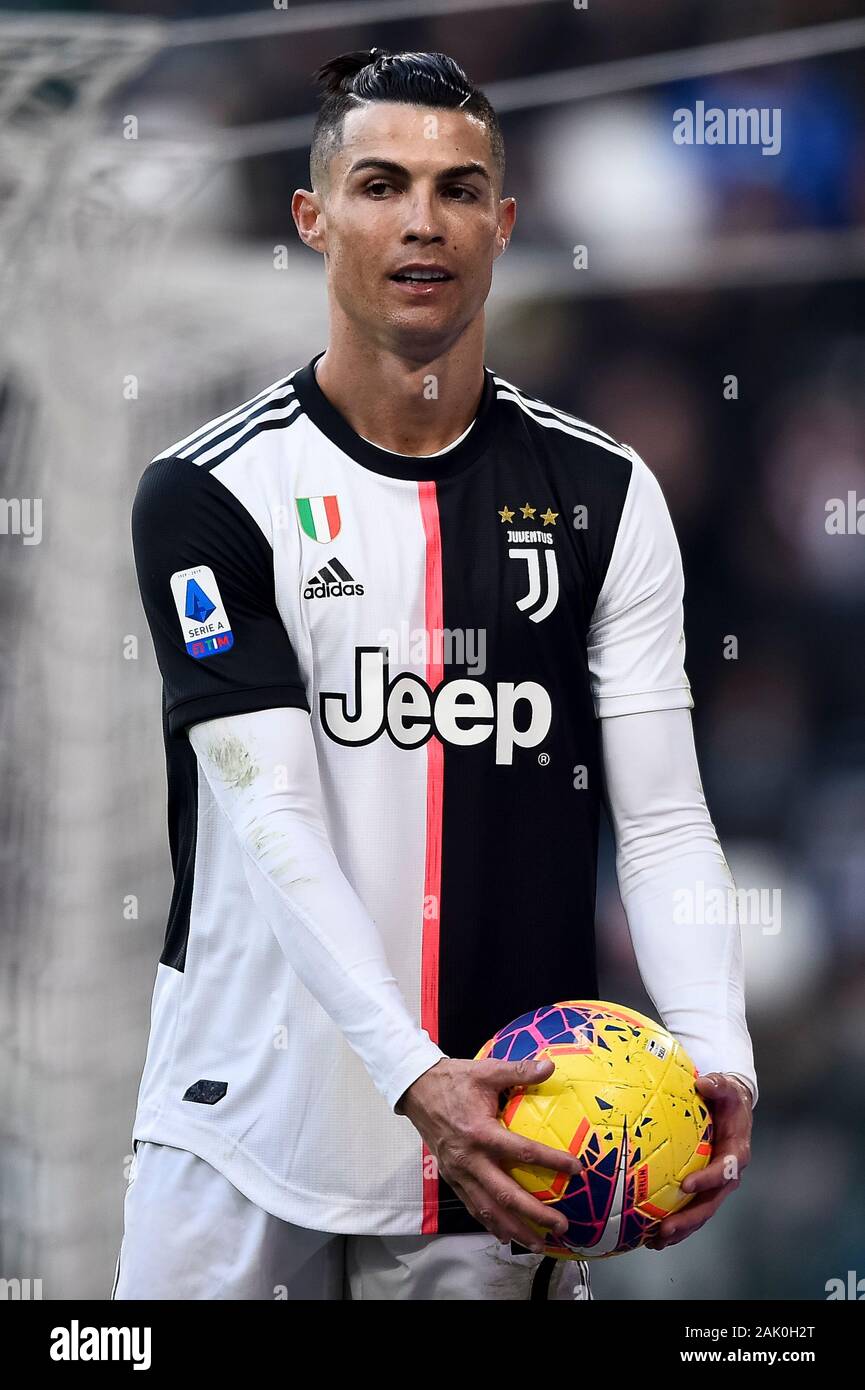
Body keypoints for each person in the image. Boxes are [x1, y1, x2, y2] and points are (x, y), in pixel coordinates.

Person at [113, 47, 755, 1302]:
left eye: (460, 189)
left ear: (504, 226)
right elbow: (274, 815)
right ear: (312, 217)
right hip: (239, 1130)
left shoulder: (606, 494)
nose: (422, 220)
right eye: (379, 184)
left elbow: (667, 819)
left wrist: (718, 1058)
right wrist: (417, 1080)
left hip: (507, 1153)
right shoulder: (207, 496)